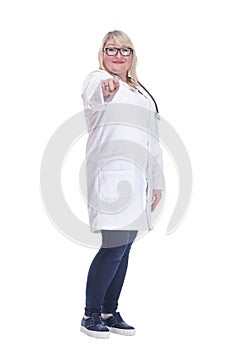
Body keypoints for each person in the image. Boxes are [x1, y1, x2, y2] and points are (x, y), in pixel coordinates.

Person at [80, 30, 165, 338]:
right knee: (113, 247)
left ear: (133, 56)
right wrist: (106, 88)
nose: (117, 55)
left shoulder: (141, 91)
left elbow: (151, 140)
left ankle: (108, 310)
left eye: (124, 50)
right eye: (110, 49)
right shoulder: (97, 79)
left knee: (125, 248)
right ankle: (90, 314)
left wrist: (156, 181)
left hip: (137, 179)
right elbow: (95, 95)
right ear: (102, 55)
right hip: (112, 177)